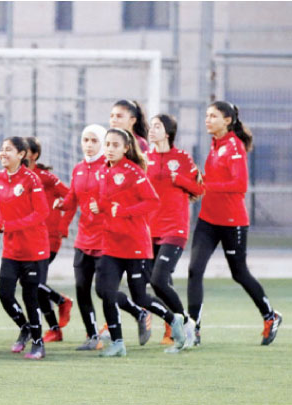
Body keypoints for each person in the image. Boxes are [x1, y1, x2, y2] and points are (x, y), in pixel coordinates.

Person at [187, 101, 282, 346]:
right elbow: (214, 179)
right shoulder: (215, 144)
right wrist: (194, 181)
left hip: (232, 222)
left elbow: (239, 185)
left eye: (213, 116)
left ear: (227, 120)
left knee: (239, 273)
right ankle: (194, 329)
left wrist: (206, 185)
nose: (207, 120)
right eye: (206, 115)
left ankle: (270, 316)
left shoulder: (234, 146)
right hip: (207, 220)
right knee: (194, 270)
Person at [93, 128, 186, 357]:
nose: (110, 149)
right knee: (106, 292)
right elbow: (109, 204)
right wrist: (99, 207)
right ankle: (118, 343)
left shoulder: (133, 172)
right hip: (111, 244)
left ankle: (173, 319)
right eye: (107, 144)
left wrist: (123, 210)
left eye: (115, 145)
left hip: (135, 244)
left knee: (140, 297)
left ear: (126, 148)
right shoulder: (103, 171)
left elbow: (152, 202)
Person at [56, 125, 149, 351]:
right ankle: (92, 336)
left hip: (106, 238)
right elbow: (73, 197)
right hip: (83, 239)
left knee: (104, 291)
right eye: (85, 140)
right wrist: (62, 206)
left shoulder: (110, 169)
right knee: (81, 288)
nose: (89, 145)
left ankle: (136, 314)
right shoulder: (78, 169)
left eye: (94, 141)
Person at [146, 114, 202, 350]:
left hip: (175, 228)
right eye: (151, 126)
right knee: (155, 282)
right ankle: (178, 325)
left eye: (157, 126)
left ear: (168, 132)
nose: (152, 130)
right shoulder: (145, 158)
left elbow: (199, 188)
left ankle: (186, 323)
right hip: (150, 229)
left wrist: (178, 179)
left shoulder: (182, 158)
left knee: (158, 279)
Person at [0, 136, 48, 360]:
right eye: (2, 149)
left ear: (21, 155)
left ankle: (38, 343)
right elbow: (2, 205)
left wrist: (13, 225)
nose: (3, 153)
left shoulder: (31, 179)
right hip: (11, 249)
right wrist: (1, 223)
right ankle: (24, 327)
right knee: (5, 295)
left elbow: (42, 212)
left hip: (33, 248)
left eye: (9, 149)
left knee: (30, 297)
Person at [25, 136, 74, 343]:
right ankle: (55, 327)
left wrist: (63, 225)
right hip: (29, 238)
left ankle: (61, 303)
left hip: (49, 238)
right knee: (34, 284)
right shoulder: (18, 176)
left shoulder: (45, 177)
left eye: (25, 150)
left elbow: (72, 197)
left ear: (34, 155)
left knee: (35, 283)